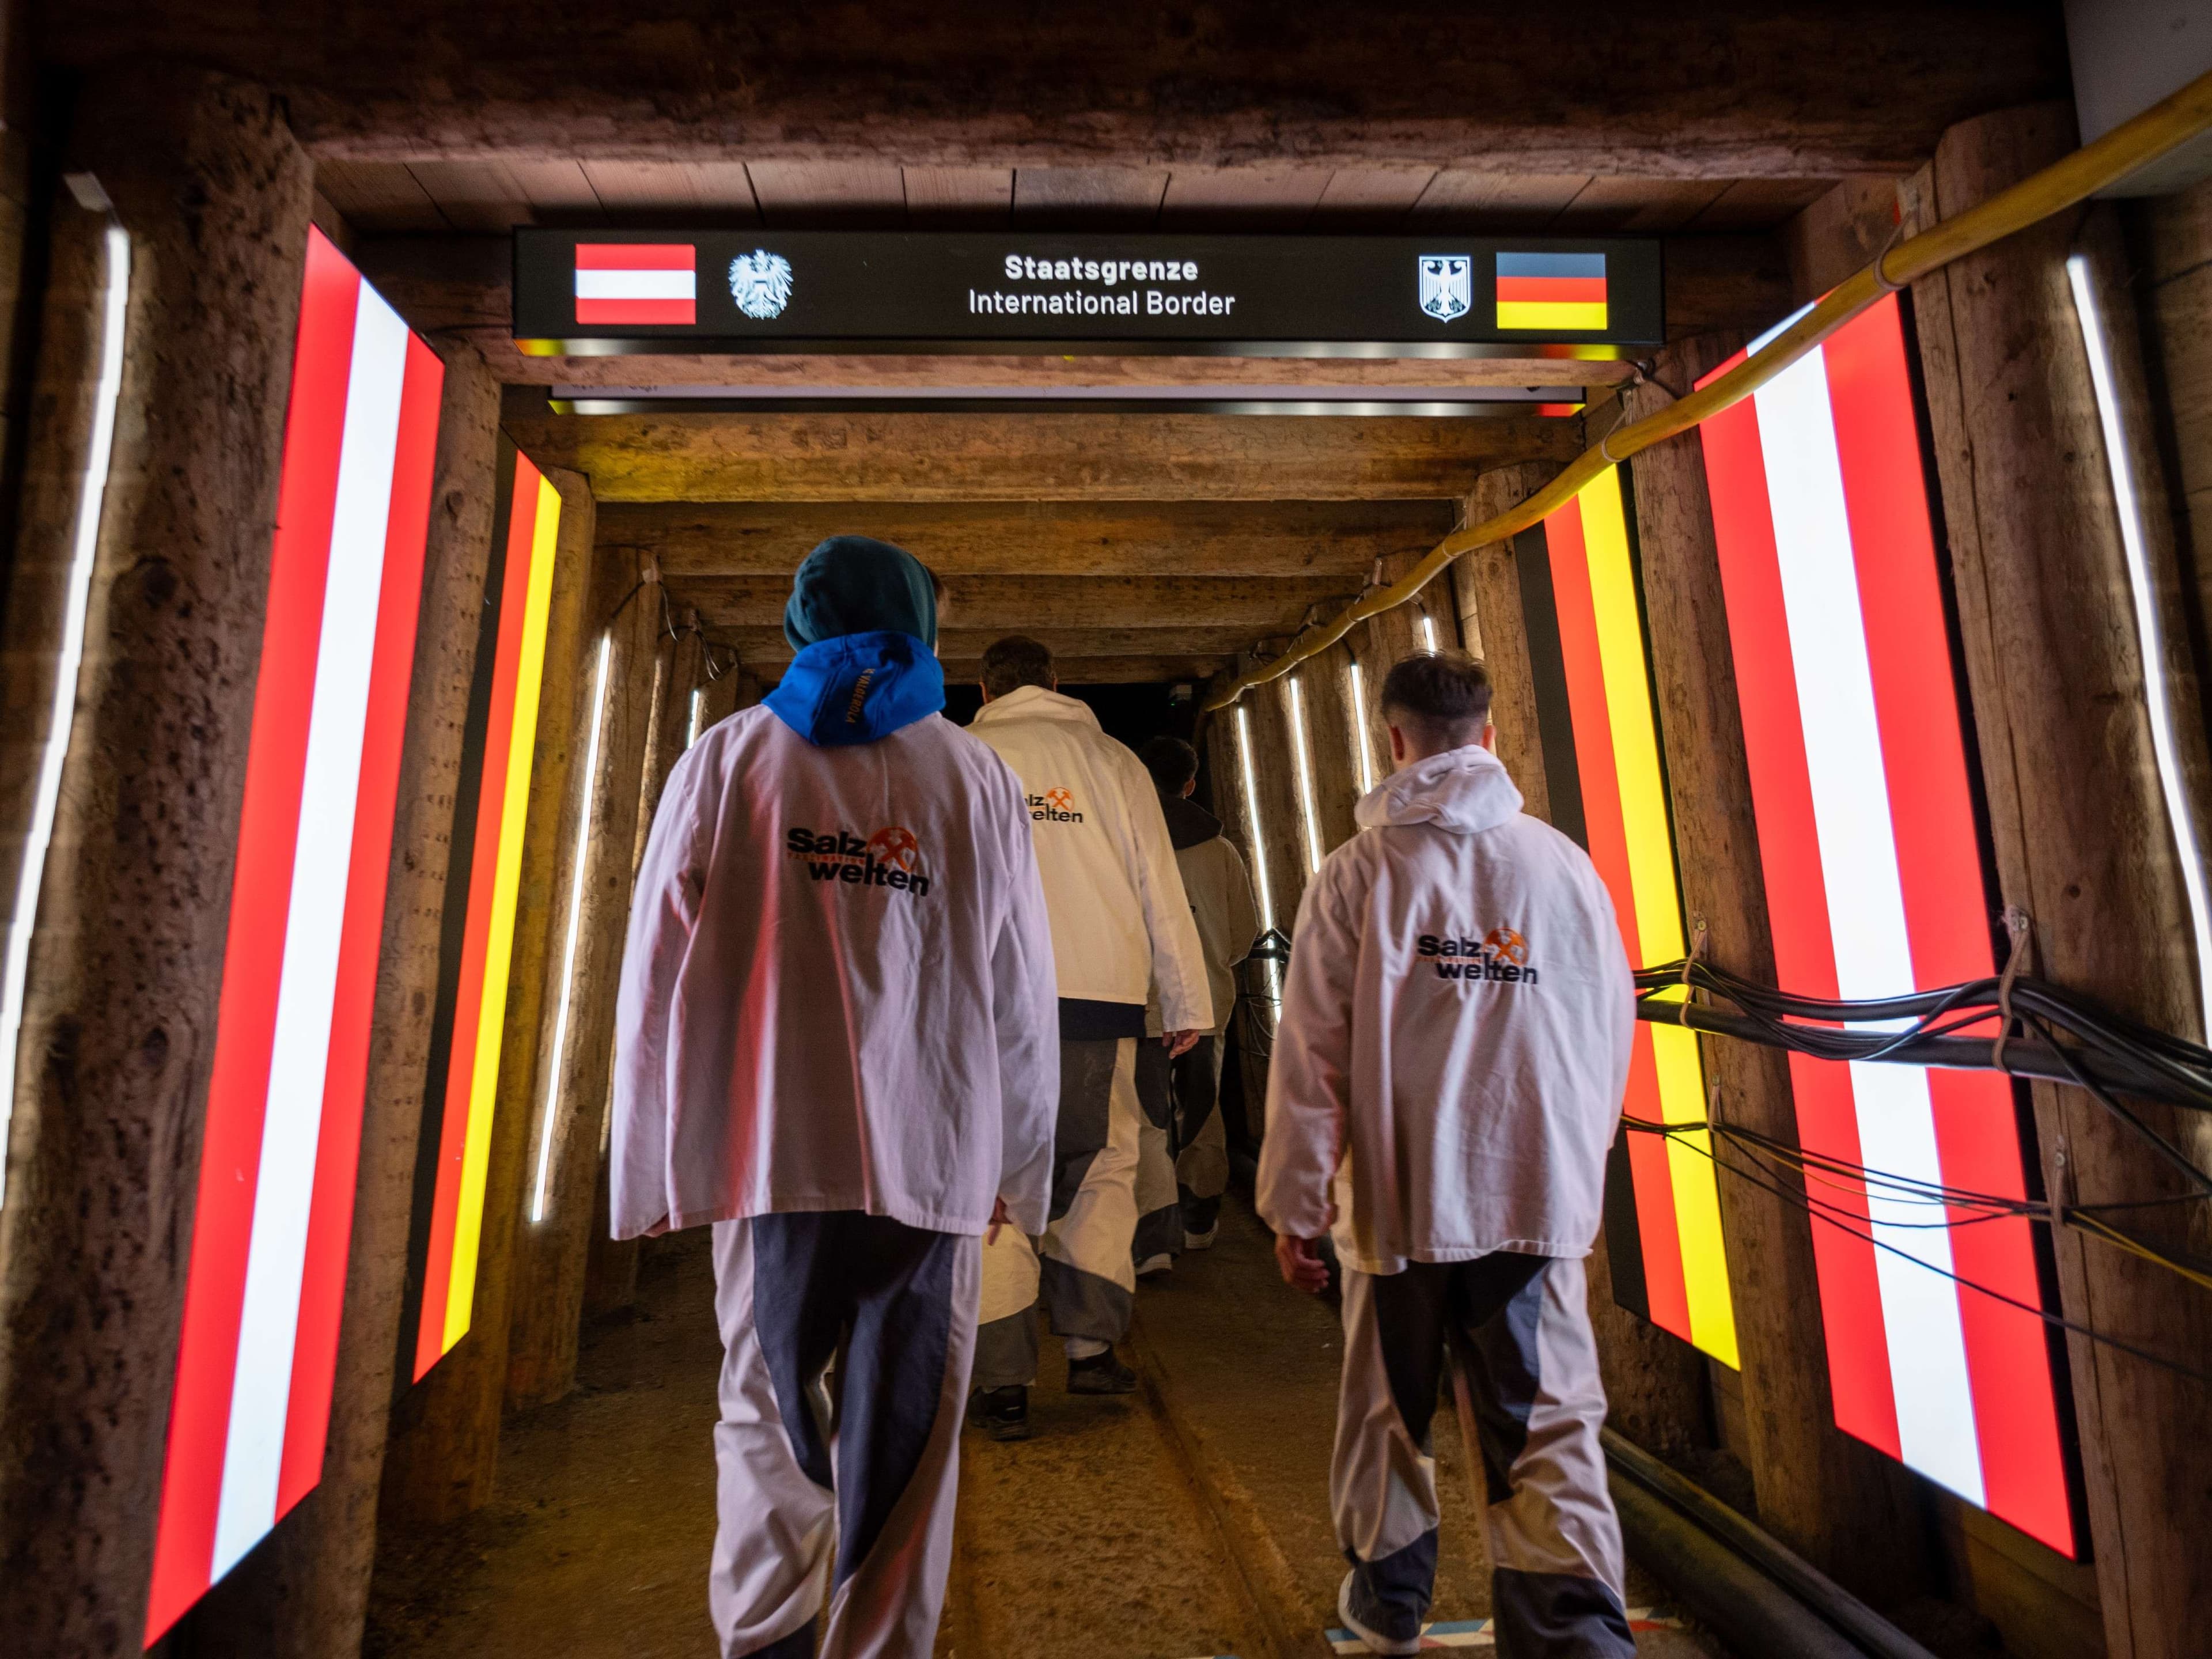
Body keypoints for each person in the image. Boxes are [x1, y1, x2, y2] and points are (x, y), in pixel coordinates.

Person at [611, 537, 1058, 1659]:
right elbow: (1019, 984)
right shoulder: (974, 777)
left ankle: (765, 1640)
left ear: (800, 626)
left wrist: (652, 1164)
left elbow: (653, 969)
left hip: (770, 1149)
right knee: (908, 1441)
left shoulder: (728, 759)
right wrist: (1019, 1162)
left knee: (767, 1417)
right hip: (936, 1152)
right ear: (922, 628)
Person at [1256, 651, 1639, 1659]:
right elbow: (1610, 1023)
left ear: (1394, 739)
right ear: (1490, 735)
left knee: (1387, 1411)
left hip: (1402, 1201)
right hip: (1533, 1191)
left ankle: (1390, 1608)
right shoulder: (1563, 867)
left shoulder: (1359, 873)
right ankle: (1574, 1637)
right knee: (1547, 1422)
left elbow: (1312, 1051)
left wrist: (1297, 1205)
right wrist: (1579, 1159)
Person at [965, 635, 1212, 1438]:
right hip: (1102, 1004)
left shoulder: (962, 756)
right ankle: (1090, 1350)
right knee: (1103, 1172)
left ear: (984, 689)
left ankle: (1003, 1382)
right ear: (1057, 680)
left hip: (988, 1006)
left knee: (992, 1184)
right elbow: (1157, 883)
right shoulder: (1113, 761)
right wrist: (1186, 1001)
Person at [1134, 735, 1258, 1262]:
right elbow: (1242, 937)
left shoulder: (1121, 842)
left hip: (1140, 1005)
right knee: (1202, 1111)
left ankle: (1151, 1237)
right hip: (1205, 1004)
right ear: (1190, 785)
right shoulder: (1220, 851)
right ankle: (1198, 1217)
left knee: (1144, 1118)